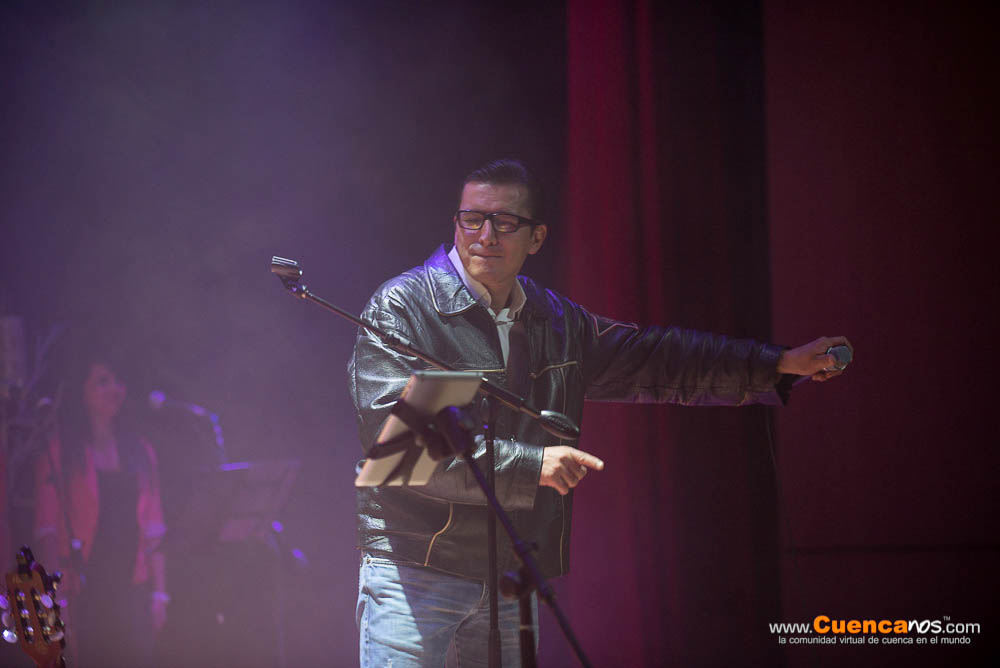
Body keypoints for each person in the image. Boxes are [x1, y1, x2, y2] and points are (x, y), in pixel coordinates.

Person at [349, 159, 850, 667]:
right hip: (415, 570)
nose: (485, 236)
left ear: (537, 237)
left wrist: (777, 364)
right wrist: (532, 465)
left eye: (505, 222)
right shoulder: (403, 307)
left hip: (508, 574)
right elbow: (398, 454)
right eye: (472, 219)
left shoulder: (554, 320)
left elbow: (658, 357)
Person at [34, 350, 168, 667]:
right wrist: (56, 599)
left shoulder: (140, 450)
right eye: (102, 382)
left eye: (118, 381)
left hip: (133, 587)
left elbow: (154, 528)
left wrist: (160, 593)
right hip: (83, 591)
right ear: (82, 391)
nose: (114, 389)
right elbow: (47, 530)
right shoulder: (62, 451)